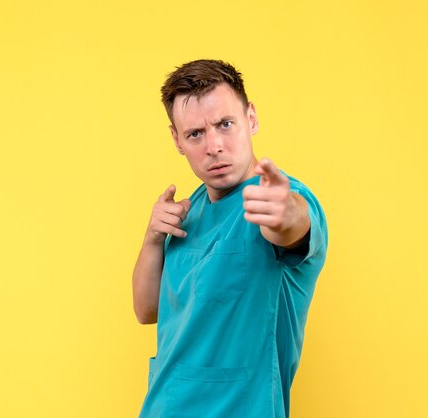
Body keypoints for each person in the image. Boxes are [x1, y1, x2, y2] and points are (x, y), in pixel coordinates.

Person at [132, 59, 328, 418]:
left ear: (250, 118)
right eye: (195, 134)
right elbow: (147, 311)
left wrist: (288, 213)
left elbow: (292, 225)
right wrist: (152, 240)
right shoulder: (187, 212)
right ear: (176, 139)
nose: (214, 146)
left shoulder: (271, 199)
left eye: (225, 125)